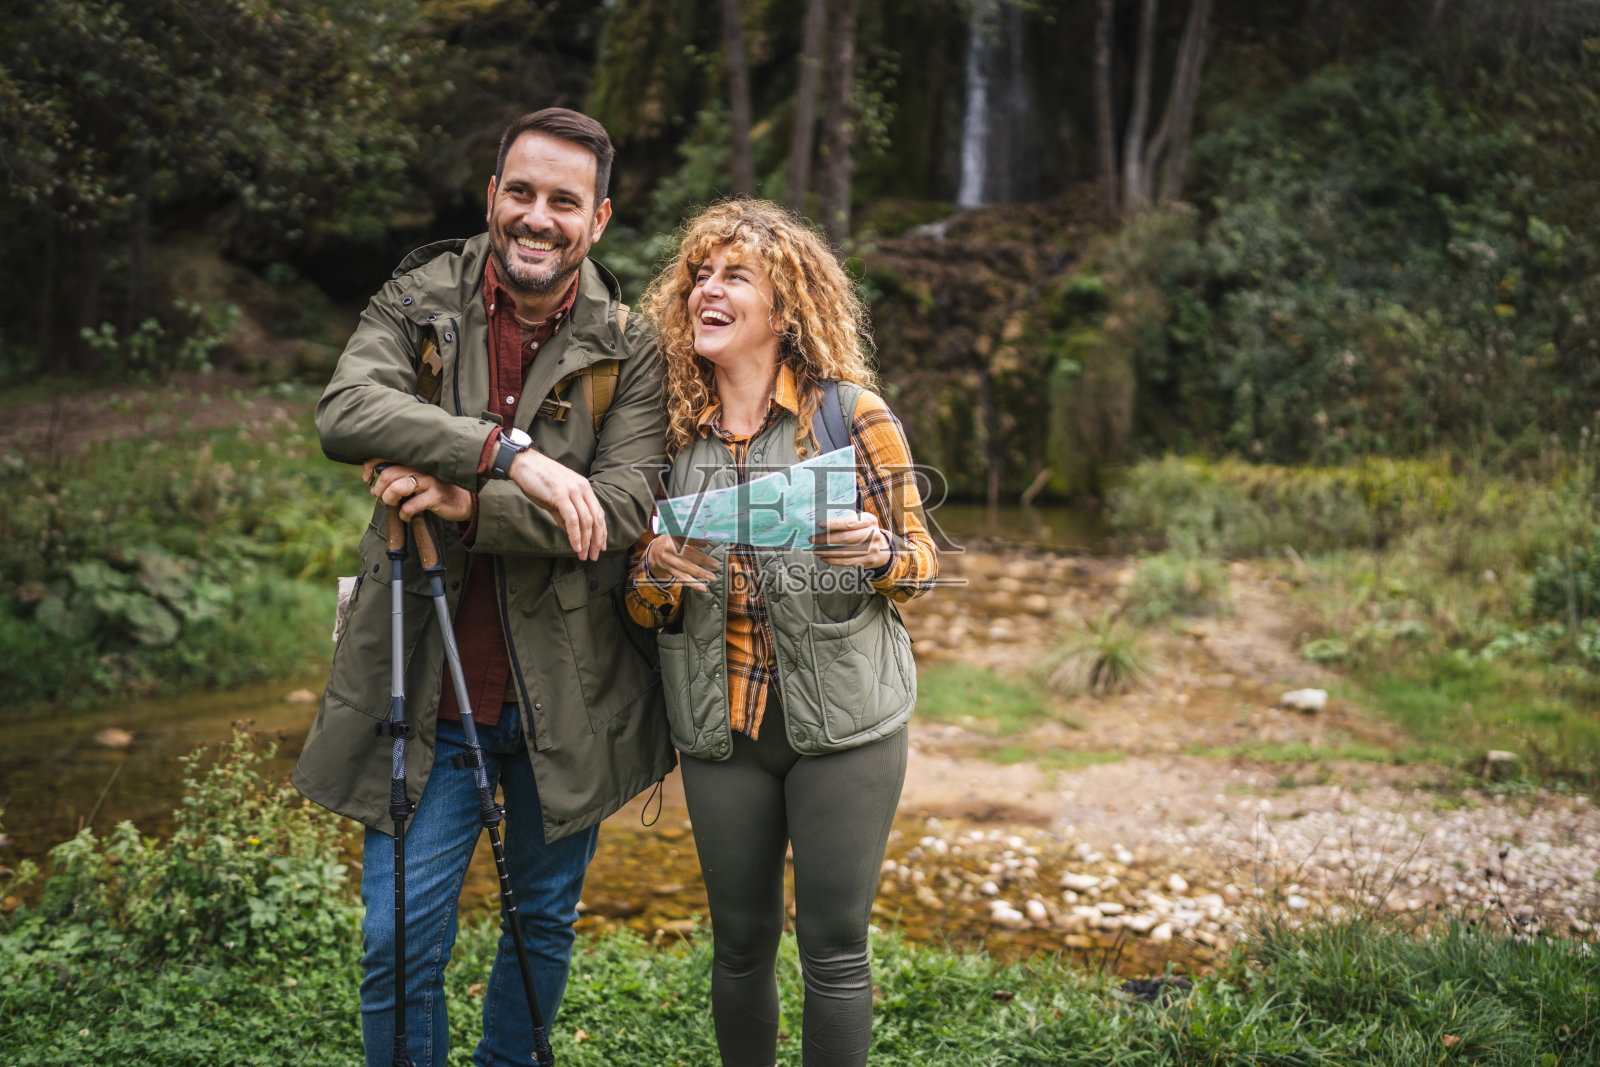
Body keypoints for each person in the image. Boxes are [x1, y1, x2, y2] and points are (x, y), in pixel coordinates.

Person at [292, 107, 673, 1067]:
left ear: (600, 219)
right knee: (397, 947)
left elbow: (622, 507)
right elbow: (346, 409)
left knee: (540, 932)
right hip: (422, 687)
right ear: (492, 195)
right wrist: (509, 453)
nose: (537, 217)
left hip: (567, 694)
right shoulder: (419, 295)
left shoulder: (633, 346)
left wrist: (469, 503)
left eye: (564, 201)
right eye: (522, 192)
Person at [627, 199, 938, 1066]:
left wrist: (878, 549)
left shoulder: (852, 413)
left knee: (835, 950)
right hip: (721, 731)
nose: (705, 291)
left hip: (845, 728)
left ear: (786, 308)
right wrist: (654, 572)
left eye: (735, 276)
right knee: (739, 944)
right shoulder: (663, 433)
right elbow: (637, 602)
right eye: (699, 277)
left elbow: (921, 564)